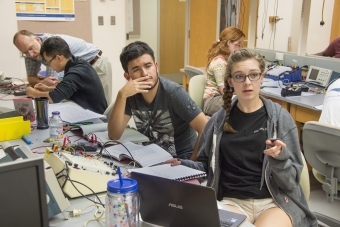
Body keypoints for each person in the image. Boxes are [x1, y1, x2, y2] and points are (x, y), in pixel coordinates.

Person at [166, 49, 318, 226]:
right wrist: (183, 164)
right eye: (239, 76)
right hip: (232, 201)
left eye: (253, 75)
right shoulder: (217, 122)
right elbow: (207, 167)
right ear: (230, 81)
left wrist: (280, 159)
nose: (247, 82)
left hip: (273, 202)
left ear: (262, 77)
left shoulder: (280, 119)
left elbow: (291, 183)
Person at [108, 41, 208, 160]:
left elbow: (205, 127)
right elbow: (114, 134)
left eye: (148, 66)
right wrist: (121, 95)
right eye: (136, 69)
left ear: (156, 66)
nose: (145, 73)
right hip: (151, 157)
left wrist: (192, 163)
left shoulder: (174, 93)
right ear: (127, 76)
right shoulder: (130, 94)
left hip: (180, 159)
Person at [13, 30, 112, 104]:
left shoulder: (53, 46)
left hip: (96, 62)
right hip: (80, 70)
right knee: (79, 101)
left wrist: (35, 92)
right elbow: (36, 79)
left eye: (31, 48)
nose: (30, 54)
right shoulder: (33, 53)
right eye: (25, 52)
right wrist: (43, 83)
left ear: (37, 39)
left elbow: (55, 91)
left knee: (102, 107)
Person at [25, 36, 107, 114]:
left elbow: (54, 98)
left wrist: (33, 93)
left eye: (49, 62)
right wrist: (48, 88)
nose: (49, 65)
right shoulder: (77, 62)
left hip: (95, 118)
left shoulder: (76, 72)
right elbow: (67, 88)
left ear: (59, 58)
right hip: (87, 111)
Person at [203, 26, 245, 116]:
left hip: (222, 98)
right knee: (243, 104)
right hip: (213, 101)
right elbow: (225, 91)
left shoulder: (228, 60)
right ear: (229, 43)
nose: (240, 48)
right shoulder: (219, 63)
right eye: (238, 44)